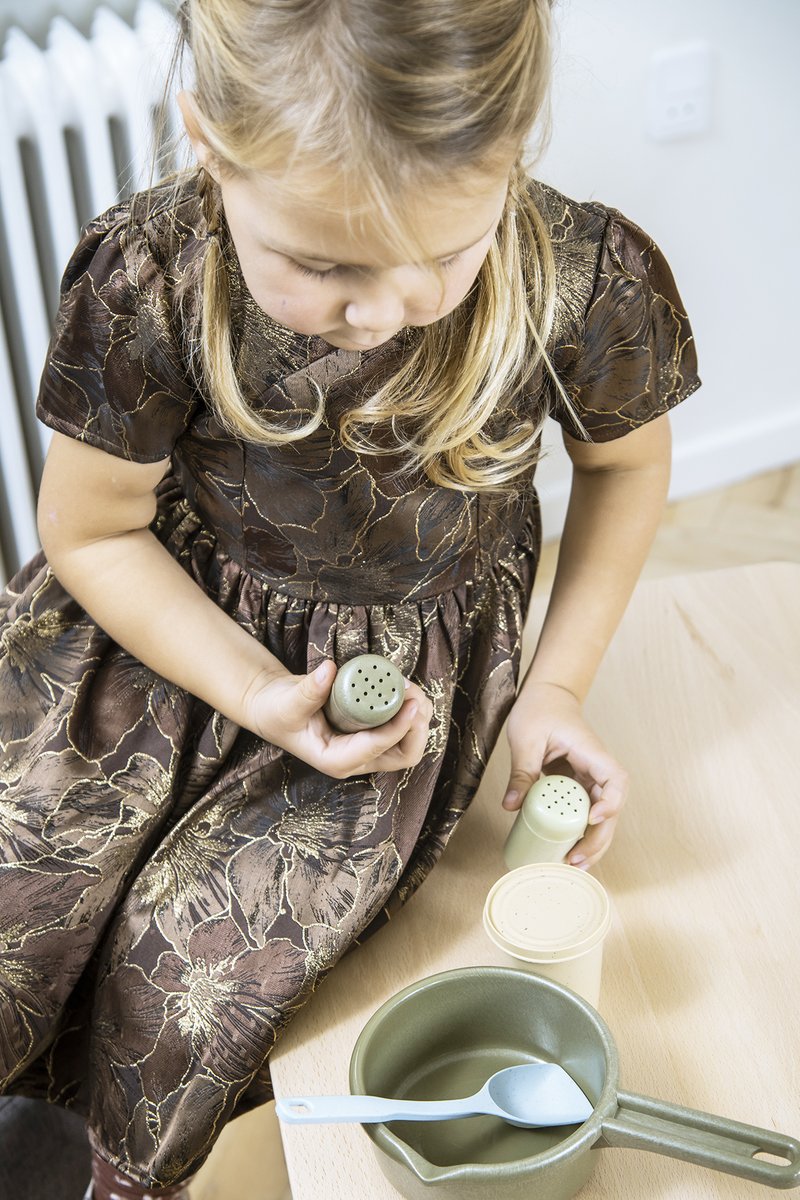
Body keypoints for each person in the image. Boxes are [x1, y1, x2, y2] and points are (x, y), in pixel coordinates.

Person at [0, 0, 700, 1196]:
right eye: (320, 266)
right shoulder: (151, 274)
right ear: (207, 141)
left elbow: (625, 463)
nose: (381, 311)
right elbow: (91, 528)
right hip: (146, 633)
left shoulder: (587, 276)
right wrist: (253, 686)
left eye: (442, 256)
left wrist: (559, 685)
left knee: (184, 990)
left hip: (384, 717)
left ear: (510, 159)